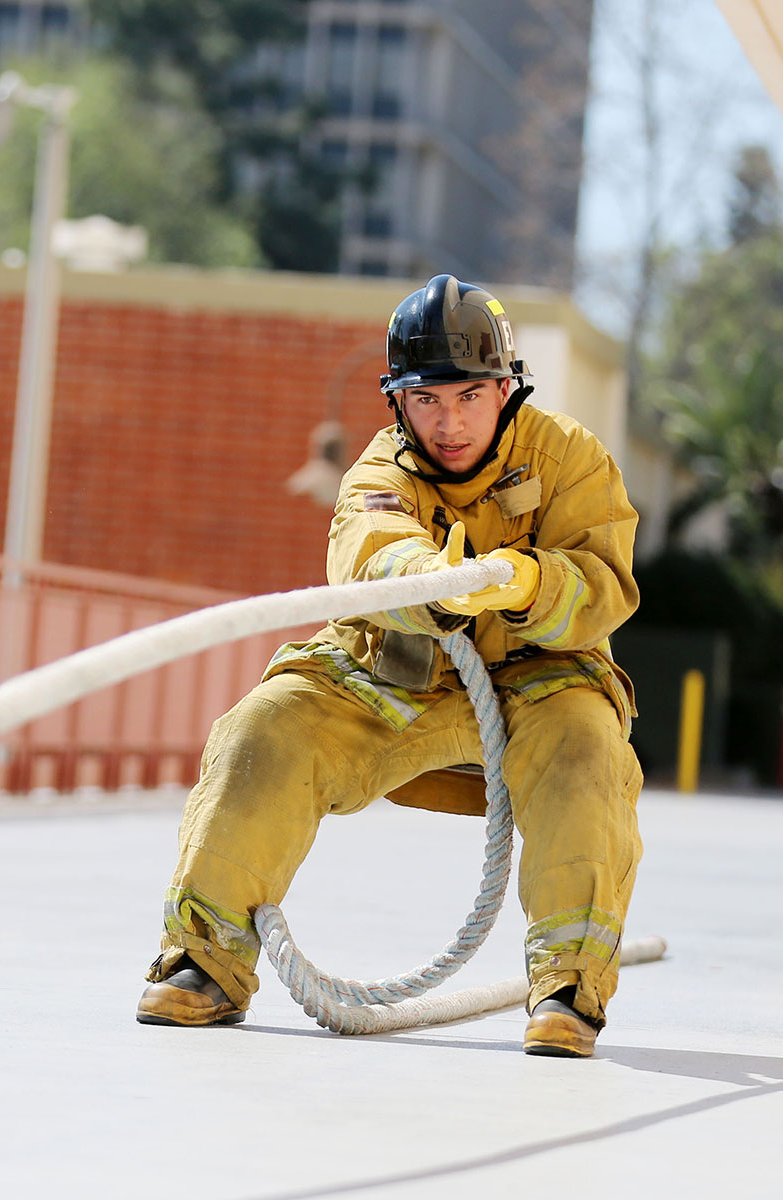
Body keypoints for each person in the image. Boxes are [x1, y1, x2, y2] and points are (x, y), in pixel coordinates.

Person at [137, 274, 643, 1057]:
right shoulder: (377, 473)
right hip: (398, 670)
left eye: (471, 395)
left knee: (589, 752)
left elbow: (605, 585)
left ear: (506, 389)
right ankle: (203, 961)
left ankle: (569, 987)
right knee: (263, 727)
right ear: (396, 400)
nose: (449, 422)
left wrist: (528, 581)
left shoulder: (571, 457)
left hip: (537, 677)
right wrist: (434, 581)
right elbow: (369, 557)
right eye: (427, 399)